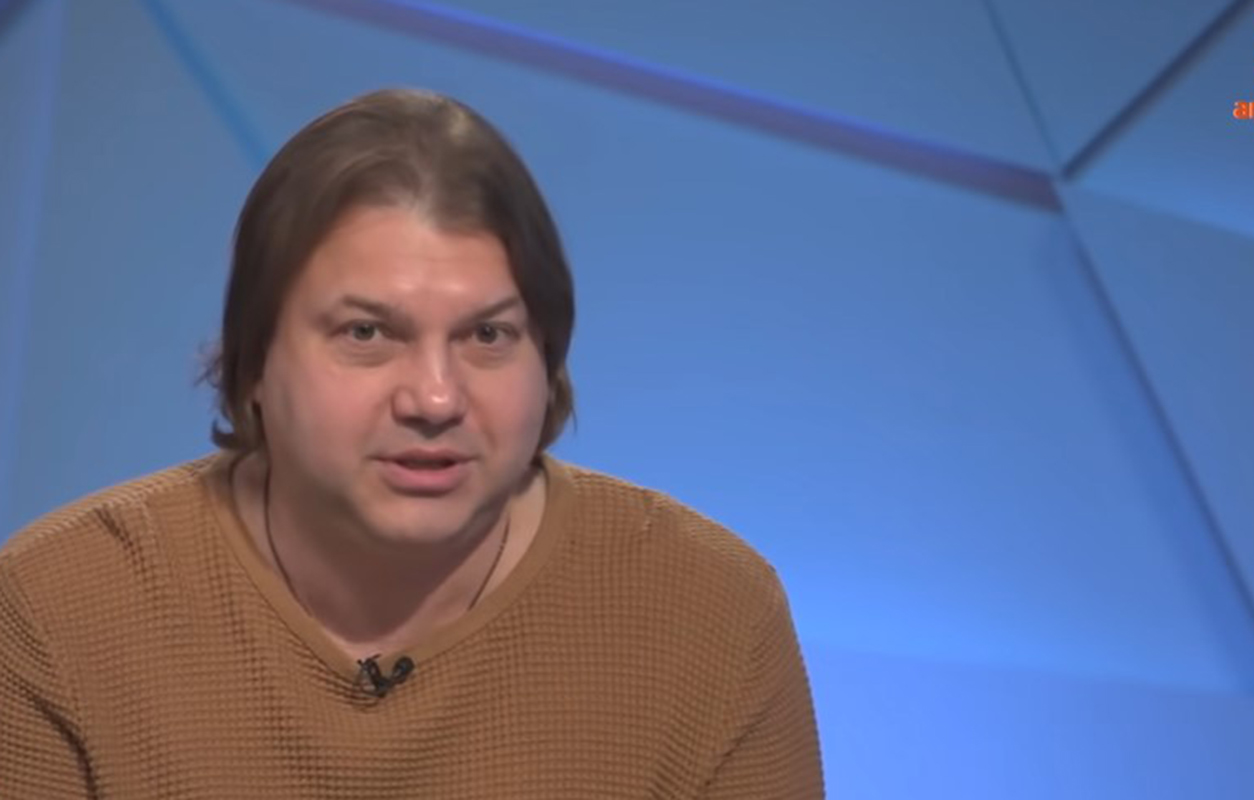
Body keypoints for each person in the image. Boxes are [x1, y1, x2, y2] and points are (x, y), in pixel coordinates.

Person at [0, 88, 823, 798]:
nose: (435, 398)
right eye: (367, 332)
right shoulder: (58, 611)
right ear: (255, 363)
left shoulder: (713, 618)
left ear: (548, 362)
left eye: (488, 335)